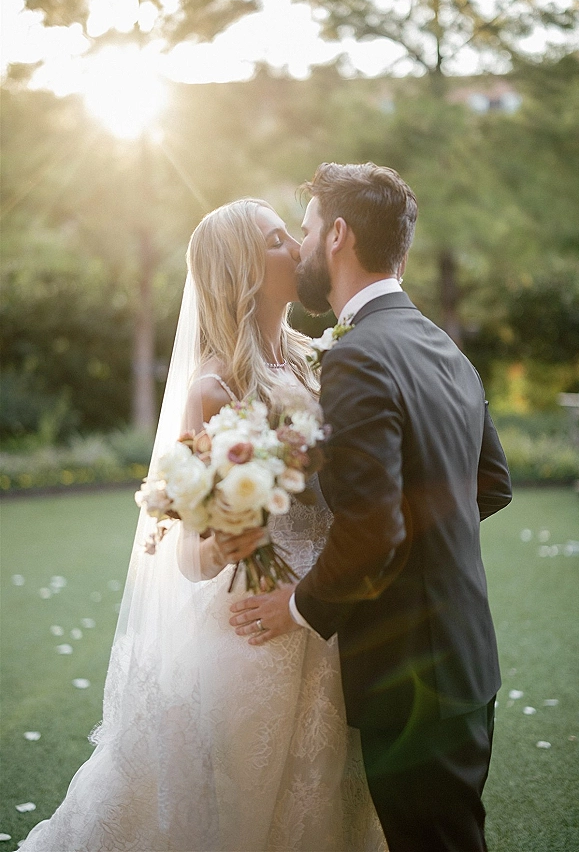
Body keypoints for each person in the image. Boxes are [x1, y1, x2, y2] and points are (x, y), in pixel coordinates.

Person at [19, 198, 386, 852]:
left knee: (324, 798)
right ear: (244, 269)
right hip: (253, 633)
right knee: (243, 808)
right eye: (279, 241)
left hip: (318, 621)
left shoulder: (309, 360)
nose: (298, 250)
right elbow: (191, 556)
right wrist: (231, 538)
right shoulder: (216, 386)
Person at [229, 164, 512, 852]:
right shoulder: (439, 343)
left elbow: (373, 530)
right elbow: (491, 483)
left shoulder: (358, 357)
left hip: (411, 674)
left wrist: (297, 605)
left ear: (337, 236)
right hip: (463, 658)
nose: (298, 250)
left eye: (303, 231)